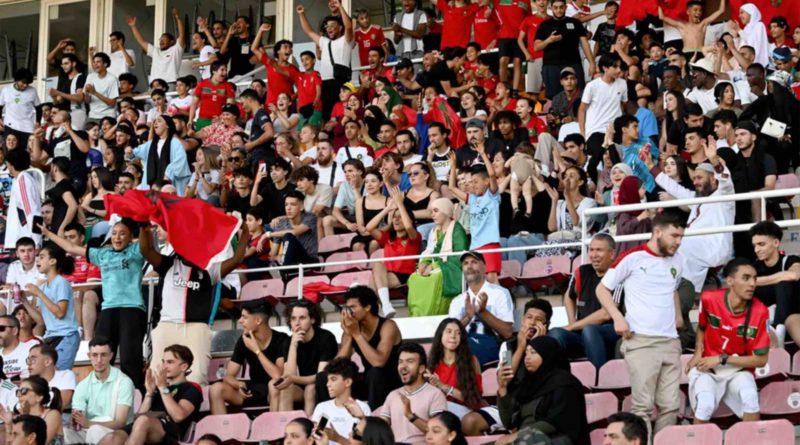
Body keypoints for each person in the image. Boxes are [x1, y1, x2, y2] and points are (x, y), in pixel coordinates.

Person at [596, 212, 686, 436]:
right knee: (643, 408)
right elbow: (602, 289)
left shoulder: (678, 259)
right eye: (674, 235)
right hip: (641, 341)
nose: (678, 241)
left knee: (671, 407)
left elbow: (672, 288)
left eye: (681, 236)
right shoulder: (632, 257)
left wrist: (678, 317)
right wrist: (618, 317)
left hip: (670, 341)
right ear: (657, 232)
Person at [41, 218, 146, 390]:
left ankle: (135, 395)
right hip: (108, 309)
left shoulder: (136, 251)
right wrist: (48, 233)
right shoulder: (102, 254)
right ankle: (103, 392)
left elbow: (147, 243)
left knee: (129, 357)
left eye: (122, 234)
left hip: (132, 308)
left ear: (130, 238)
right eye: (114, 233)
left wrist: (145, 223)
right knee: (101, 353)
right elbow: (71, 248)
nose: (117, 237)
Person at [139, 223, 249, 385]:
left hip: (196, 327)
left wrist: (245, 233)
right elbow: (146, 250)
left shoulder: (209, 271)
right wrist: (144, 227)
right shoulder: (168, 264)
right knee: (156, 377)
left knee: (197, 378)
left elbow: (237, 259)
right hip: (167, 324)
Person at [643, 136, 734, 294]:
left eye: (699, 178)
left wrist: (714, 160)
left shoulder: (724, 196)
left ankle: (688, 292)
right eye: (694, 178)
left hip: (714, 247)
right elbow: (672, 187)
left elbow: (725, 180)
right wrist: (651, 166)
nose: (695, 182)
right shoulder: (697, 198)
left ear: (713, 179)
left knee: (679, 245)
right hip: (697, 245)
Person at [687, 258, 769, 424]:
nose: (752, 283)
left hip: (738, 369)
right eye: (746, 278)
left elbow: (761, 360)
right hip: (708, 369)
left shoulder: (760, 311)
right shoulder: (709, 298)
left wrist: (722, 359)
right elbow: (702, 327)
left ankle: (751, 440)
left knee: (751, 398)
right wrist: (697, 352)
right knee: (705, 405)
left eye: (755, 278)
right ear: (730, 280)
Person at [495, 336, 589, 445]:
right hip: (525, 438)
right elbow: (508, 423)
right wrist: (502, 388)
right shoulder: (526, 384)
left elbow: (554, 422)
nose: (527, 357)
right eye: (526, 353)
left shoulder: (564, 382)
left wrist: (518, 435)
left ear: (547, 354)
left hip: (555, 438)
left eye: (533, 352)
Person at [103, 345, 202, 445]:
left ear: (184, 366)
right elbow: (139, 416)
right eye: (163, 361)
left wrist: (163, 387)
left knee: (143, 422)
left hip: (169, 433)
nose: (164, 366)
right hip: (143, 426)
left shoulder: (192, 389)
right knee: (111, 438)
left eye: (170, 362)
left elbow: (178, 416)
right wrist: (149, 393)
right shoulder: (159, 387)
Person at [548, 234, 620, 369]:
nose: (593, 254)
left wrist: (573, 327)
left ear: (611, 254)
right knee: (555, 333)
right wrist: (572, 322)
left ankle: (600, 377)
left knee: (590, 330)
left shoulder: (618, 274)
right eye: (591, 250)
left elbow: (606, 314)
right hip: (581, 331)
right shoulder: (582, 272)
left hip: (611, 331)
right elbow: (569, 297)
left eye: (599, 250)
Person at [327, 286, 402, 409]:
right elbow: (338, 365)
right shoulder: (353, 327)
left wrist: (356, 334)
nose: (349, 312)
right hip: (369, 382)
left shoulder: (388, 326)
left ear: (367, 307)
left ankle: (374, 420)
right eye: (347, 308)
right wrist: (350, 334)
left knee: (375, 372)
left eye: (353, 307)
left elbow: (378, 362)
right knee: (327, 377)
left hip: (391, 381)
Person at [209, 300, 289, 414]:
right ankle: (221, 431)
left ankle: (273, 428)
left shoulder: (282, 339)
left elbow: (278, 376)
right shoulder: (243, 340)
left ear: (258, 320)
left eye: (244, 317)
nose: (240, 321)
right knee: (216, 389)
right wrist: (238, 385)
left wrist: (256, 350)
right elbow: (228, 376)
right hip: (253, 389)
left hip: (275, 390)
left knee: (274, 385)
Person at [427, 318, 497, 436]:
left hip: (465, 411)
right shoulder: (432, 363)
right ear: (440, 335)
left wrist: (443, 386)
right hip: (439, 411)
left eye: (458, 333)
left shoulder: (471, 360)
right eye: (449, 331)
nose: (453, 336)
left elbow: (473, 399)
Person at [270, 300, 337, 415]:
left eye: (302, 318)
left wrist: (293, 379)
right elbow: (288, 375)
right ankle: (283, 428)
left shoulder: (326, 338)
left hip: (323, 385)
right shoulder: (288, 341)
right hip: (300, 384)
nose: (297, 323)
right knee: (285, 388)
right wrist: (293, 345)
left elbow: (321, 376)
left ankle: (307, 427)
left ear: (312, 319)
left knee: (310, 388)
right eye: (293, 318)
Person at [448, 251, 513, 366]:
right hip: (465, 351)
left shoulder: (500, 293)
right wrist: (467, 317)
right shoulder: (457, 301)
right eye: (465, 263)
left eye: (474, 262)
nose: (469, 266)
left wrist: (483, 313)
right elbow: (449, 334)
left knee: (509, 358)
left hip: (494, 348)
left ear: (484, 267)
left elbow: (507, 333)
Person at [67, 337, 134, 445]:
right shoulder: (82, 385)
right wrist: (76, 421)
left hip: (117, 433)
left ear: (111, 356)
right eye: (95, 355)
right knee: (67, 433)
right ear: (89, 356)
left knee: (95, 430)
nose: (99, 360)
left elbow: (121, 422)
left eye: (103, 355)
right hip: (88, 430)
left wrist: (89, 423)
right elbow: (78, 419)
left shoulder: (124, 382)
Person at [24, 243, 80, 370]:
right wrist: (24, 301)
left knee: (59, 373)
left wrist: (38, 293)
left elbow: (60, 313)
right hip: (50, 337)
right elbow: (40, 319)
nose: (37, 259)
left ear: (53, 261)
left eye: (42, 256)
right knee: (49, 375)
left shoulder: (61, 282)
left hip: (66, 336)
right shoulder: (43, 287)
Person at [296, 0, 355, 120]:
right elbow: (309, 31)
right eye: (327, 26)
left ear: (340, 28)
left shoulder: (346, 40)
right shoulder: (324, 41)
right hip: (325, 84)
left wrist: (340, 7)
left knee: (340, 115)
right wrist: (301, 14)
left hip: (340, 82)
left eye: (333, 26)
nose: (329, 28)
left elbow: (349, 26)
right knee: (327, 116)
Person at [409, 197, 468, 316]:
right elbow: (431, 251)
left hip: (452, 269)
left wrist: (435, 265)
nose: (432, 215)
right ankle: (416, 315)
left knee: (434, 278)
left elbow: (460, 256)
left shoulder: (457, 229)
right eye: (431, 212)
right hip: (438, 265)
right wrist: (424, 263)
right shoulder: (434, 231)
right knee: (414, 277)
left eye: (436, 211)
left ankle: (429, 314)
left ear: (446, 212)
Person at [367, 187, 420, 318]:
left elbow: (408, 227)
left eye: (400, 217)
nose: (396, 220)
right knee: (378, 266)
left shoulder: (414, 237)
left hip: (406, 276)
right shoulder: (388, 237)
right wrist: (388, 209)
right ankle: (385, 305)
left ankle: (375, 306)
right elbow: (369, 227)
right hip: (388, 276)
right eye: (394, 217)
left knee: (372, 281)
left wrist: (400, 204)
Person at [380, 342, 446, 444]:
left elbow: (438, 432)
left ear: (421, 369)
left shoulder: (435, 394)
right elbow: (379, 428)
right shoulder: (393, 395)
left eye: (410, 361)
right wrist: (361, 417)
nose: (403, 366)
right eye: (401, 362)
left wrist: (411, 416)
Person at [749, 221, 800, 346]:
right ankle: (777, 334)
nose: (757, 250)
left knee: (784, 284)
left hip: (794, 318)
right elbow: (741, 284)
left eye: (761, 244)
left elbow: (794, 275)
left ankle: (779, 331)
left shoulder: (791, 260)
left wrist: (757, 281)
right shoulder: (753, 268)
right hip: (765, 324)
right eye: (754, 245)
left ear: (776, 243)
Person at [535, 0, 595, 99]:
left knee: (579, 96)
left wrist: (592, 63)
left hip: (573, 63)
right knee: (553, 98)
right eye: (556, 7)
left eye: (561, 7)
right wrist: (548, 40)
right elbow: (536, 47)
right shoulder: (544, 24)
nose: (559, 10)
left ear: (565, 7)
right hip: (551, 65)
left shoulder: (575, 22)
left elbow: (585, 43)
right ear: (551, 8)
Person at [311, 358, 372, 445]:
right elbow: (316, 439)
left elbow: (361, 444)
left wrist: (337, 438)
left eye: (333, 379)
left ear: (347, 382)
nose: (328, 384)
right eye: (328, 380)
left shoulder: (361, 408)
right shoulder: (322, 408)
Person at [131, 115, 191, 195]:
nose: (155, 123)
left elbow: (180, 161)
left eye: (159, 121)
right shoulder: (150, 144)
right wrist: (130, 153)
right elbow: (134, 154)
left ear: (167, 125)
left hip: (168, 183)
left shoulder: (175, 142)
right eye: (155, 121)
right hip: (151, 185)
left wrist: (168, 173)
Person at [127, 8, 186, 83]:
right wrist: (133, 26)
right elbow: (142, 42)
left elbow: (182, 35)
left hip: (170, 82)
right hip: (155, 84)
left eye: (164, 39)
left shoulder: (176, 50)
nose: (161, 41)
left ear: (171, 42)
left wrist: (178, 17)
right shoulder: (155, 51)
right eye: (160, 40)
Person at [0, 376, 63, 444]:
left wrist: (25, 417)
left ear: (39, 397)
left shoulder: (52, 414)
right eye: (18, 391)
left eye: (24, 391)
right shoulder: (18, 417)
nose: (18, 395)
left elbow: (41, 442)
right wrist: (8, 424)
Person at [658, 1, 725, 59]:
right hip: (686, 54)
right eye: (695, 10)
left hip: (700, 53)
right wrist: (658, 2)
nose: (698, 12)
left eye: (700, 10)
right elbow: (662, 17)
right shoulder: (682, 26)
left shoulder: (703, 24)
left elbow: (721, 10)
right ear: (688, 12)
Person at [4, 150, 44, 248]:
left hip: (25, 243)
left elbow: (32, 212)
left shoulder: (23, 181)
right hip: (21, 242)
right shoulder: (19, 180)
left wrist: (36, 241)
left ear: (11, 165)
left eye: (7, 164)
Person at [26, 344, 75, 412]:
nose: (29, 363)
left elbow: (59, 406)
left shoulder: (65, 375)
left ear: (47, 362)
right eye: (28, 360)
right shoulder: (29, 383)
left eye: (33, 359)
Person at [0, 68, 40, 149]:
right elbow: (0, 106)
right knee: (9, 151)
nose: (25, 85)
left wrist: (38, 122)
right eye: (23, 82)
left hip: (27, 127)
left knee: (23, 153)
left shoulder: (32, 91)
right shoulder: (6, 90)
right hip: (10, 126)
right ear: (16, 80)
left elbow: (39, 108)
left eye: (27, 83)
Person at [84, 52, 119, 122]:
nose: (95, 64)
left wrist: (95, 93)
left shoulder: (112, 79)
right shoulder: (90, 77)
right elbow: (87, 101)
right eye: (94, 62)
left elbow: (112, 103)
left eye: (98, 62)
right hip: (92, 115)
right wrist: (87, 93)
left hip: (107, 116)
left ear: (105, 64)